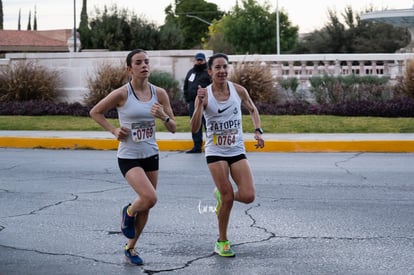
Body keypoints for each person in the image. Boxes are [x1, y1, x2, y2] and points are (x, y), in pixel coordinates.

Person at [89, 49, 176, 265]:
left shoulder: (160, 93)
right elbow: (95, 112)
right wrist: (114, 130)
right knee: (149, 198)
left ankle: (131, 248)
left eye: (146, 61)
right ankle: (128, 211)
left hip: (151, 154)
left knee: (147, 205)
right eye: (139, 62)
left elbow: (173, 127)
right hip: (129, 156)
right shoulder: (122, 94)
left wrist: (163, 116)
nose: (144, 65)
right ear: (130, 69)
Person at [190, 53, 265, 257]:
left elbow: (252, 109)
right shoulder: (205, 94)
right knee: (228, 197)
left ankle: (220, 196)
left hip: (236, 149)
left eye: (225, 67)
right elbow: (195, 126)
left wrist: (258, 130)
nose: (222, 71)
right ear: (210, 71)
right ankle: (222, 240)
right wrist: (199, 104)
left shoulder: (238, 90)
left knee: (248, 196)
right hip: (215, 151)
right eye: (218, 68)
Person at [183, 52, 211, 153]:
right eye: (197, 60)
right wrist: (187, 100)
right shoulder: (191, 72)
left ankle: (210, 145)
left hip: (206, 103)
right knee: (195, 124)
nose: (199, 62)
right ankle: (197, 146)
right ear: (195, 60)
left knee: (207, 124)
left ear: (204, 61)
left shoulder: (208, 72)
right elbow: (186, 86)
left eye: (201, 60)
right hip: (192, 103)